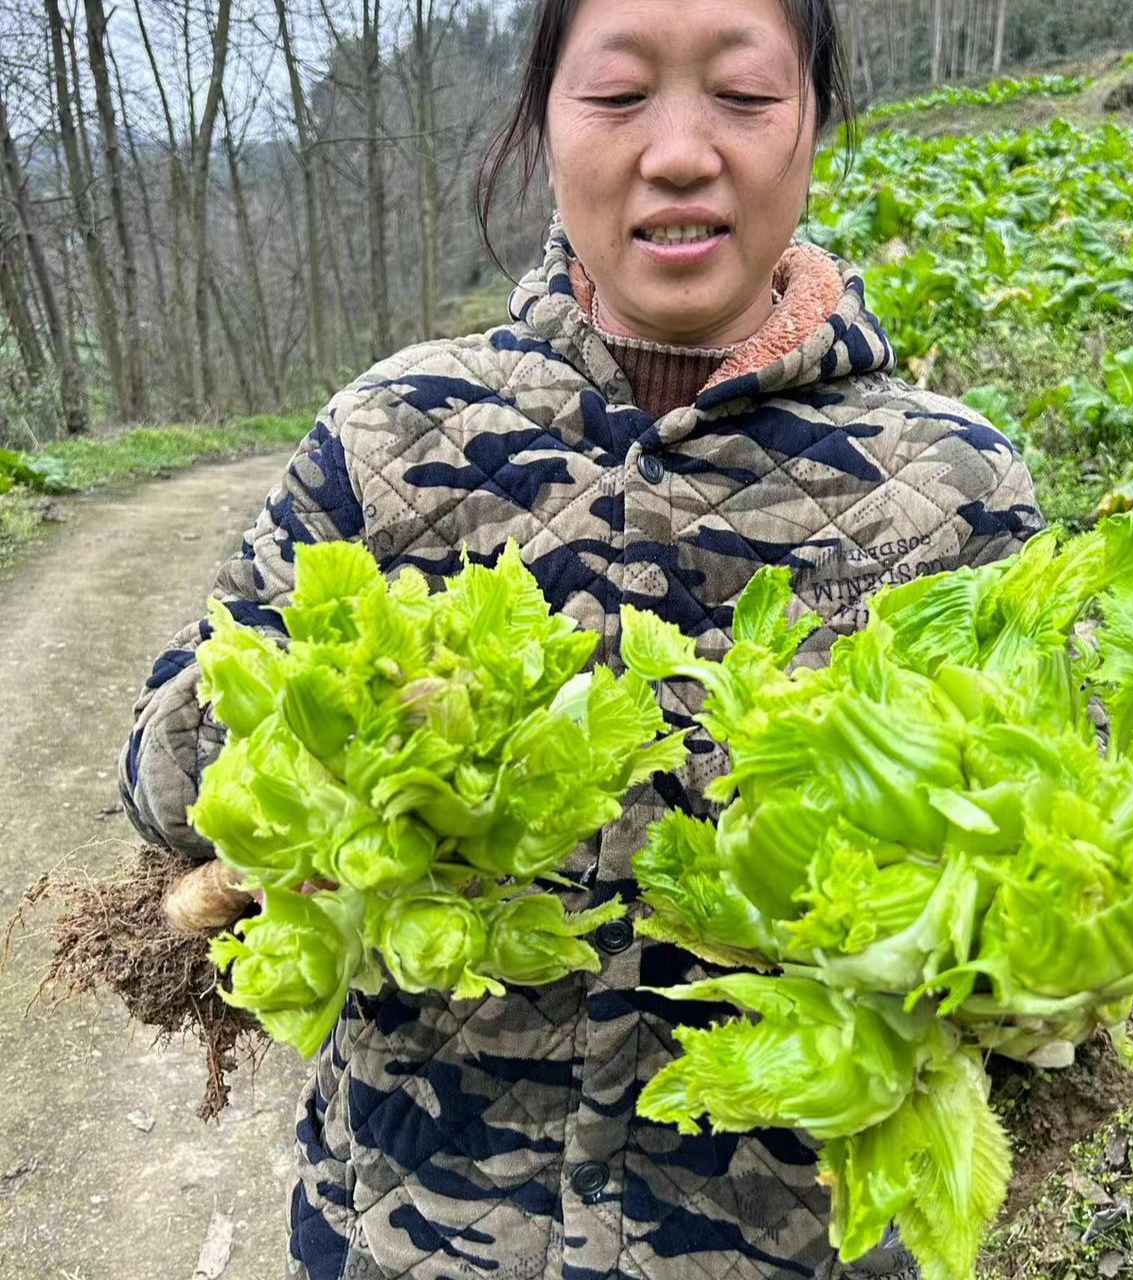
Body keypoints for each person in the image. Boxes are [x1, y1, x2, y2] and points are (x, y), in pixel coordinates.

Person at [119, 0, 1043, 1276]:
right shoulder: (397, 435)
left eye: (742, 95)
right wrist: (342, 728)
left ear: (816, 122)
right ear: (542, 123)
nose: (676, 150)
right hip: (412, 1232)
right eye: (616, 96)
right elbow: (163, 787)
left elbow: (1047, 846)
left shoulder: (949, 482)